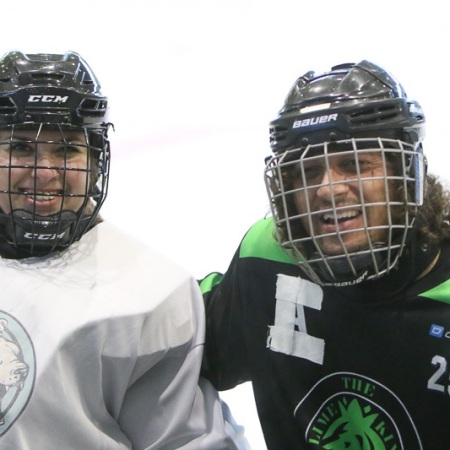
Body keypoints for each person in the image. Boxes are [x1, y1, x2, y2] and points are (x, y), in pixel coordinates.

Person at [0, 50, 248, 450]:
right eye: (21, 148)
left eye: (66, 151)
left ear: (96, 162)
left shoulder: (150, 294)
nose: (44, 171)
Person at [200, 60, 450, 449]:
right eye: (308, 171)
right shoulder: (267, 258)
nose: (328, 190)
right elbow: (169, 350)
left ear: (407, 174)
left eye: (355, 165)